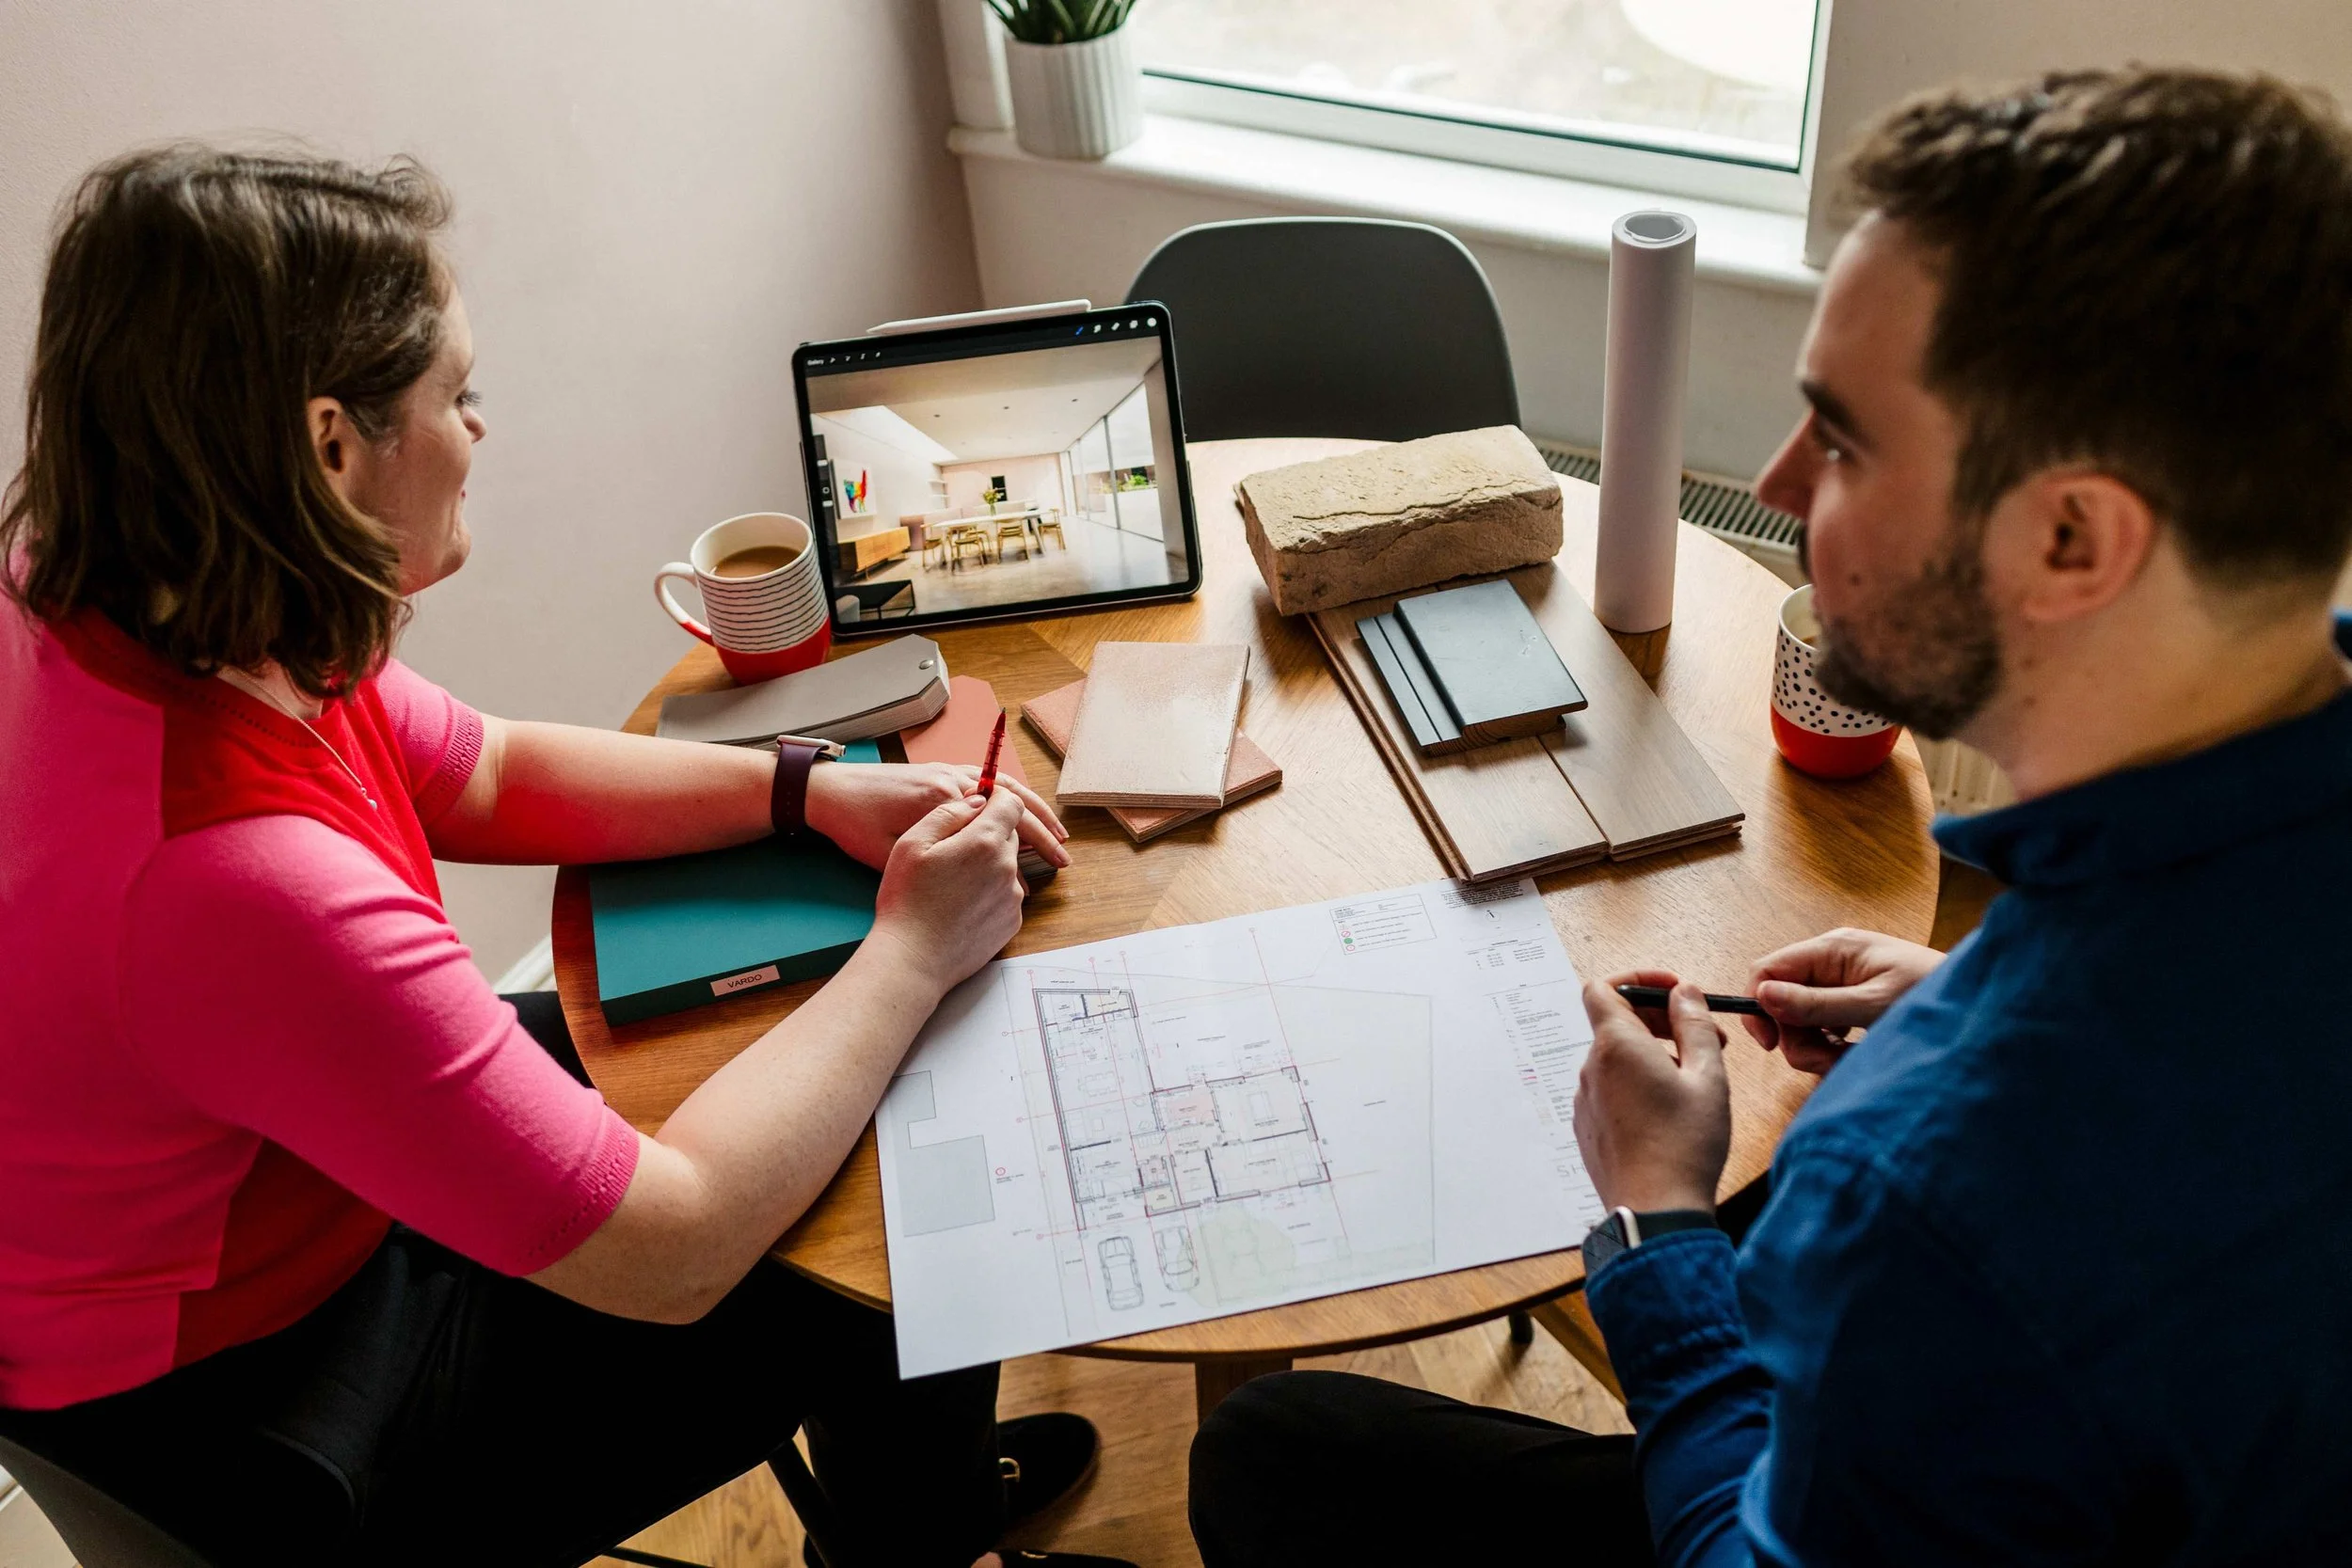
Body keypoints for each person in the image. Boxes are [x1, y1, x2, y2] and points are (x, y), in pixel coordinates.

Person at [1190, 67, 2352, 1566]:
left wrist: (1656, 1227)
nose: (1781, 480)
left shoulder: (1922, 1192)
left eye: (1846, 441)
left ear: (2072, 536)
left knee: (1271, 1454)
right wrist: (1969, 993)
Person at [0, 145, 1134, 1568]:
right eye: (456, 394)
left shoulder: (129, 574)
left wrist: (807, 791)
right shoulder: (236, 884)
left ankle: (919, 1507)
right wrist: (913, 945)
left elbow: (484, 771)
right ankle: (917, 1541)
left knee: (832, 1058)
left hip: (280, 1169)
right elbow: (680, 1246)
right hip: (261, 1400)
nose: (481, 429)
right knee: (899, 1224)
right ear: (329, 447)